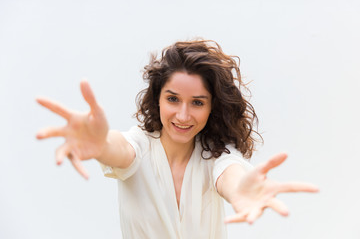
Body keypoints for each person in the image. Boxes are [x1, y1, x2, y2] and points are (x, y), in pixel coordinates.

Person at [36, 39, 318, 239]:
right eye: (173, 99)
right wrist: (101, 145)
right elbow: (119, 149)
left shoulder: (217, 158)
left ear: (212, 107)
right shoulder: (139, 145)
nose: (183, 115)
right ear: (157, 99)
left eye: (197, 103)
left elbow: (231, 175)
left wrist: (240, 189)